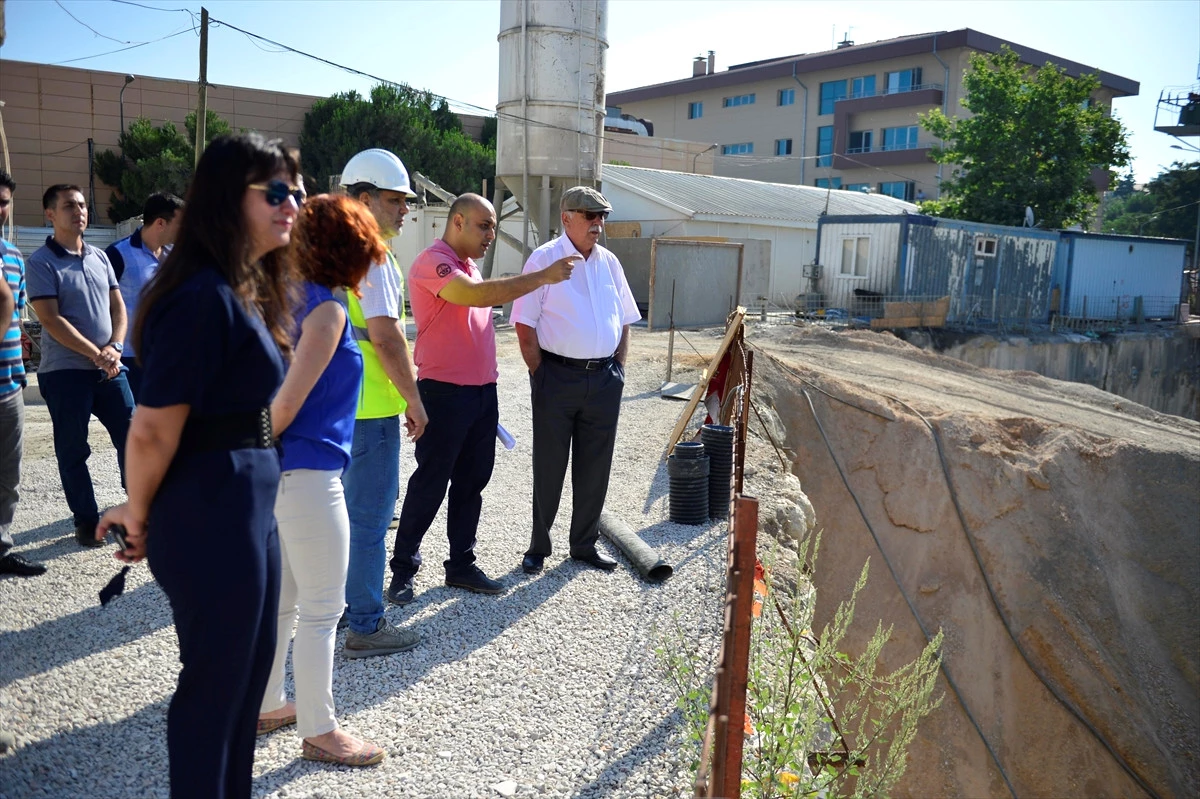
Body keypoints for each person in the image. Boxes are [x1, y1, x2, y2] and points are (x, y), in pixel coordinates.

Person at [97, 133, 301, 799]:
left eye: (295, 191)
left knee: (247, 684)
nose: (291, 204)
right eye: (275, 192)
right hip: (212, 511)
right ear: (226, 197)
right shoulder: (199, 296)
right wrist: (139, 510)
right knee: (213, 691)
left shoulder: (243, 288)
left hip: (247, 510)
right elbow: (153, 428)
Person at [386, 194, 576, 604]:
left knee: (472, 483)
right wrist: (541, 276)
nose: (491, 234)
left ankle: (460, 565)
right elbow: (477, 296)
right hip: (443, 394)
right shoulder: (433, 263)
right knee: (431, 483)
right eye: (484, 226)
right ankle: (402, 569)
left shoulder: (467, 266)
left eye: (492, 226)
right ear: (457, 222)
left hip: (481, 393)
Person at [256, 194, 389, 766]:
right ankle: (320, 729)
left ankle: (266, 705)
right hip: (308, 471)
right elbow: (286, 404)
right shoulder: (328, 309)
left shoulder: (284, 296)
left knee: (286, 602)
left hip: (283, 473)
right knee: (322, 608)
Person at [511, 186, 640, 575]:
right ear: (566, 217)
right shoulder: (544, 259)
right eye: (590, 214)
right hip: (557, 377)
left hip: (603, 380)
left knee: (595, 466)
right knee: (550, 465)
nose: (598, 223)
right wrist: (540, 373)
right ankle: (539, 546)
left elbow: (625, 318)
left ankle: (583, 544)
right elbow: (524, 323)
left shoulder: (610, 263)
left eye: (602, 215)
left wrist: (618, 368)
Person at [336, 149, 428, 658]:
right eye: (396, 200)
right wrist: (414, 399)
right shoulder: (372, 256)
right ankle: (366, 625)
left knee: (341, 517)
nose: (404, 210)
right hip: (369, 410)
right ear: (365, 198)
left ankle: (347, 606)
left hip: (332, 406)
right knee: (370, 521)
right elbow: (387, 339)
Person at [26, 185, 135, 548]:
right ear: (50, 214)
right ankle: (86, 520)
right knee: (73, 449)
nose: (79, 211)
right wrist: (97, 353)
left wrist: (115, 347)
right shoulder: (41, 262)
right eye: (69, 205)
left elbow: (118, 308)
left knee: (133, 437)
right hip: (66, 373)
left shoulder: (100, 258)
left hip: (109, 368)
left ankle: (139, 506)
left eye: (83, 205)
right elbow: (53, 321)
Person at [0, 169, 45, 578]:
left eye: (4, 201)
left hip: (9, 384)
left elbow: (16, 315)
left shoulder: (13, 256)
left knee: (8, 474)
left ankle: (0, 548)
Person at [105, 192, 184, 400]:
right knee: (136, 424)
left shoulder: (175, 256)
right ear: (160, 223)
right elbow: (102, 304)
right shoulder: (118, 254)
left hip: (167, 355)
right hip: (131, 358)